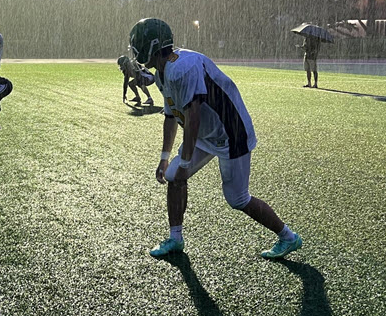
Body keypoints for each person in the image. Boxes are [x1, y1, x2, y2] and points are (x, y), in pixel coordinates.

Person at [129, 18, 302, 259]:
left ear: (152, 45)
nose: (134, 51)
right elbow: (171, 117)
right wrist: (165, 157)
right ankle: (175, 238)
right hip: (204, 134)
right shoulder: (164, 71)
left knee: (238, 199)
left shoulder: (182, 68)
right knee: (173, 176)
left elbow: (193, 118)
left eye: (138, 44)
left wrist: (186, 163)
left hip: (230, 132)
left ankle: (288, 237)